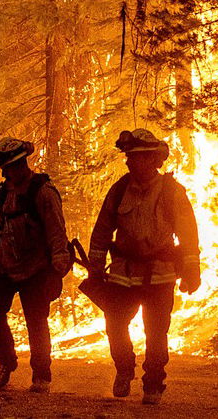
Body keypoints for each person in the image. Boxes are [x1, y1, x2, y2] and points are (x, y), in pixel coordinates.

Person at [87, 128, 201, 405]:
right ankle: (125, 369)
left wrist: (191, 271)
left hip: (159, 275)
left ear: (152, 160)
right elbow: (102, 230)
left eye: (134, 157)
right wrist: (96, 267)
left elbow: (188, 233)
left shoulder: (172, 192)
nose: (128, 162)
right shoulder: (119, 190)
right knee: (114, 326)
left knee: (156, 333)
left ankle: (153, 384)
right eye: (127, 157)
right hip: (123, 274)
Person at [0, 137, 71, 392]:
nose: (10, 172)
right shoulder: (2, 194)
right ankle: (6, 362)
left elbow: (57, 232)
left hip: (36, 269)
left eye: (14, 166)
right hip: (3, 269)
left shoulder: (43, 193)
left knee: (36, 321)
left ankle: (41, 375)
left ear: (23, 164)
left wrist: (57, 270)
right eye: (7, 169)